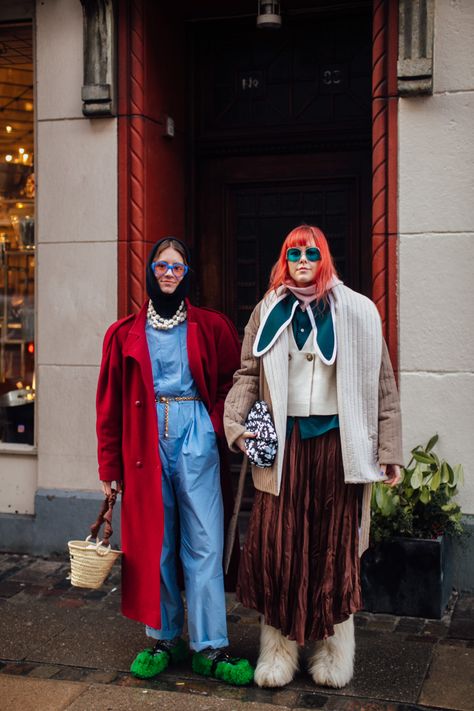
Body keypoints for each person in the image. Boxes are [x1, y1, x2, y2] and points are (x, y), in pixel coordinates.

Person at [224, 225, 402, 689]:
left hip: (338, 450)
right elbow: (248, 372)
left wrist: (389, 452)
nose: (302, 260)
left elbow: (382, 383)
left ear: (325, 257)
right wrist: (237, 425)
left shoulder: (359, 312)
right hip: (283, 450)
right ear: (284, 259)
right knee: (281, 550)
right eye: (293, 252)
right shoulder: (266, 310)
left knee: (333, 550)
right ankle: (278, 653)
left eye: (311, 252)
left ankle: (333, 653)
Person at [96, 237, 253, 685]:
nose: (168, 273)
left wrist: (214, 423)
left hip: (196, 433)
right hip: (143, 444)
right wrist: (110, 468)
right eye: (161, 266)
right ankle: (165, 637)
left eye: (177, 267)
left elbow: (233, 381)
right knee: (156, 541)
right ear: (149, 271)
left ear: (187, 275)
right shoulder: (123, 332)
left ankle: (211, 647)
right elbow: (109, 405)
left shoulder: (211, 326)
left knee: (204, 539)